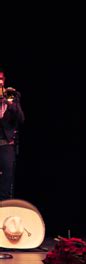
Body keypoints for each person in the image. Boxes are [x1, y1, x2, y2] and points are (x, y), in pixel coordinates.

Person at [0, 67, 24, 201]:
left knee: (7, 180)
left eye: (1, 79)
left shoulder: (10, 94)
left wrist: (10, 103)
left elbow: (21, 118)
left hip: (6, 144)